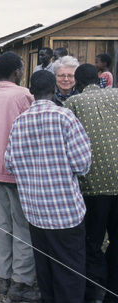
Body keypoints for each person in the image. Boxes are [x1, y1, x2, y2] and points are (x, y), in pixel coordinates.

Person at [5, 71, 91, 303]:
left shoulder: (19, 122)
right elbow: (82, 164)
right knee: (70, 273)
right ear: (54, 89)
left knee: (45, 272)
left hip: (35, 211)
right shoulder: (66, 117)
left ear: (31, 92)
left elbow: (10, 163)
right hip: (66, 212)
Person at [0, 51, 38, 301]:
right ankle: (21, 281)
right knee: (22, 227)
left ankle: (3, 275)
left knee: (2, 225)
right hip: (17, 170)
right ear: (18, 71)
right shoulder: (23, 95)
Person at [65, 63, 118, 302]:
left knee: (92, 241)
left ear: (77, 83)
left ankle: (95, 288)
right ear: (99, 80)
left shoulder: (72, 104)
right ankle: (113, 290)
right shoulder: (116, 95)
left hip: (93, 186)